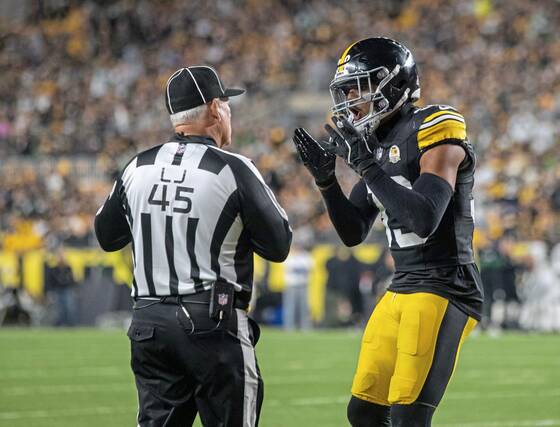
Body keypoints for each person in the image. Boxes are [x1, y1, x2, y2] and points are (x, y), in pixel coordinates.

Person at [293, 37, 484, 427]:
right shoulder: (376, 145)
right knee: (363, 410)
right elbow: (353, 232)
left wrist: (367, 167)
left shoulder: (434, 126)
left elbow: (425, 218)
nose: (349, 98)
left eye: (357, 87)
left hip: (445, 286)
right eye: (345, 90)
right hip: (404, 285)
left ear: (392, 85)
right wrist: (327, 182)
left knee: (407, 416)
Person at [94, 65, 292, 427]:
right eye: (227, 104)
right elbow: (279, 244)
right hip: (211, 321)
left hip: (148, 322)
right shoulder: (235, 167)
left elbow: (107, 236)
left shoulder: (137, 165)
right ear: (215, 108)